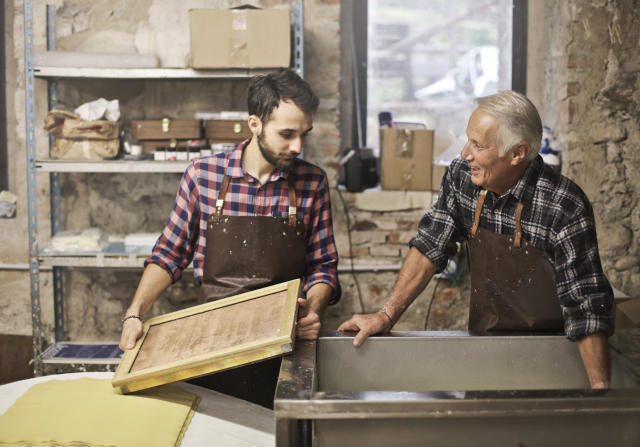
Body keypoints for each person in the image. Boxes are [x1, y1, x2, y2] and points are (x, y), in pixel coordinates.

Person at [339, 90, 614, 389]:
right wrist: (386, 314)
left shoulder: (563, 205)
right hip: (484, 347)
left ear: (518, 153)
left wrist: (599, 397)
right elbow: (431, 244)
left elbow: (585, 307)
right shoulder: (461, 178)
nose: (463, 154)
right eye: (467, 140)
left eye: (478, 145)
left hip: (554, 357)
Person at [119, 68, 341, 408]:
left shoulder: (313, 182)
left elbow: (323, 266)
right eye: (287, 134)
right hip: (213, 345)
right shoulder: (202, 175)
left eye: (304, 135)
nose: (298, 146)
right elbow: (169, 254)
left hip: (284, 345)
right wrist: (135, 313)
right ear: (254, 124)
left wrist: (310, 313)